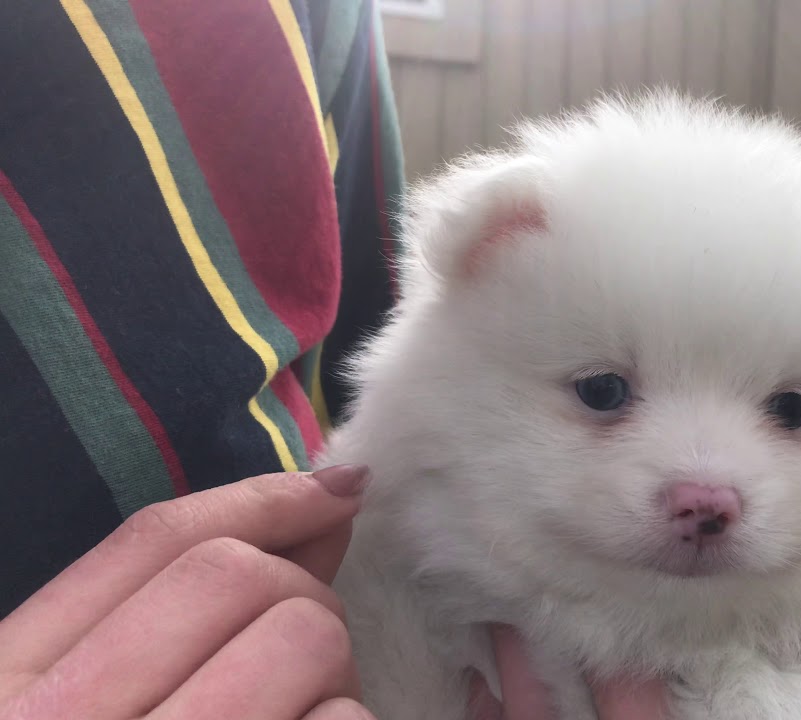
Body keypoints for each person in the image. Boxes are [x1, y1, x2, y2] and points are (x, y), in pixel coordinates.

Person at [0, 1, 663, 717]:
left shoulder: (324, 17)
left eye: (784, 411)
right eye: (603, 391)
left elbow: (364, 331)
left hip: (309, 620)